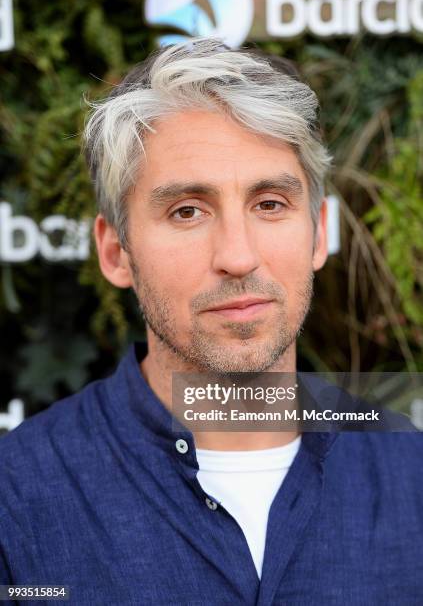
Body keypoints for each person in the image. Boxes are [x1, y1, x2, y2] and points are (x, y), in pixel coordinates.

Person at [0, 37, 422, 605]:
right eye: (187, 211)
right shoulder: (16, 496)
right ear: (116, 252)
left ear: (319, 232)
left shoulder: (410, 475)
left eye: (270, 203)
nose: (238, 255)